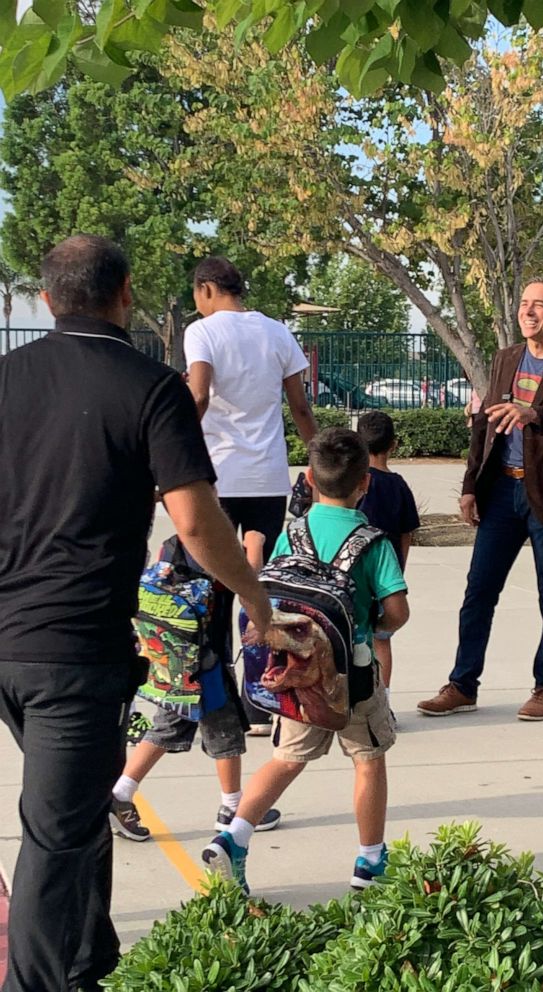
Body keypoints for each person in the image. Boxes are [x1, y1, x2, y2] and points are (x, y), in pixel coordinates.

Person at [0, 235, 271, 992]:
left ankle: (89, 963)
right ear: (125, 295)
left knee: (79, 808)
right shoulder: (153, 389)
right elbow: (195, 523)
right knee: (56, 840)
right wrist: (255, 599)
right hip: (71, 654)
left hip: (15, 641)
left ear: (50, 299)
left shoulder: (5, 377)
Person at [201, 428, 410, 894]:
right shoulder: (372, 542)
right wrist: (376, 629)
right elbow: (397, 612)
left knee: (286, 758)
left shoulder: (290, 533)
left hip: (296, 674)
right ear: (366, 483)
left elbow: (270, 590)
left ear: (310, 479)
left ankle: (234, 835)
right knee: (368, 759)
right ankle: (370, 862)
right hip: (351, 675)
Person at [418, 277, 543, 722]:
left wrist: (534, 414)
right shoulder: (505, 359)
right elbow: (483, 425)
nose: (528, 312)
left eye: (539, 305)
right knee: (479, 591)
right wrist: (468, 486)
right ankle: (462, 684)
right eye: (524, 304)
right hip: (500, 490)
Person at [184, 256, 317, 735]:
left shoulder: (202, 333)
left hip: (217, 479)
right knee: (263, 589)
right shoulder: (278, 331)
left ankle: (218, 705)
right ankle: (264, 701)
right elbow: (299, 406)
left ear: (206, 290)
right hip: (267, 479)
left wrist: (174, 449)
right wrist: (318, 465)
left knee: (212, 591)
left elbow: (198, 397)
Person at [109, 533, 280, 843]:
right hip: (206, 663)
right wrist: (254, 546)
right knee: (225, 733)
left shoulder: (172, 544)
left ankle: (121, 792)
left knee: (166, 725)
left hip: (174, 661)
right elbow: (248, 583)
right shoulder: (217, 546)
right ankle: (231, 808)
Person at [356, 412, 420, 703]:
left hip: (354, 573)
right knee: (382, 639)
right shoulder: (399, 485)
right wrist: (399, 569)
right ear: (394, 444)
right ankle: (382, 699)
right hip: (386, 575)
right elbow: (406, 533)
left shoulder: (355, 484)